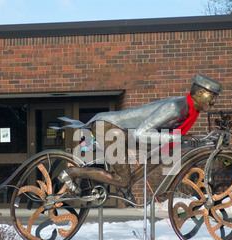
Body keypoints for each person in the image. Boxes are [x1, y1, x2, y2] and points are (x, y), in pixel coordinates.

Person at [58, 74, 222, 196]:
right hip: (109, 127)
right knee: (123, 180)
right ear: (200, 92)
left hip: (124, 131)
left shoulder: (188, 110)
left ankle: (128, 184)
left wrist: (201, 140)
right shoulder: (175, 108)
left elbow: (166, 137)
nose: (213, 103)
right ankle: (71, 173)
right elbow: (141, 133)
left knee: (166, 151)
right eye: (212, 97)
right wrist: (178, 138)